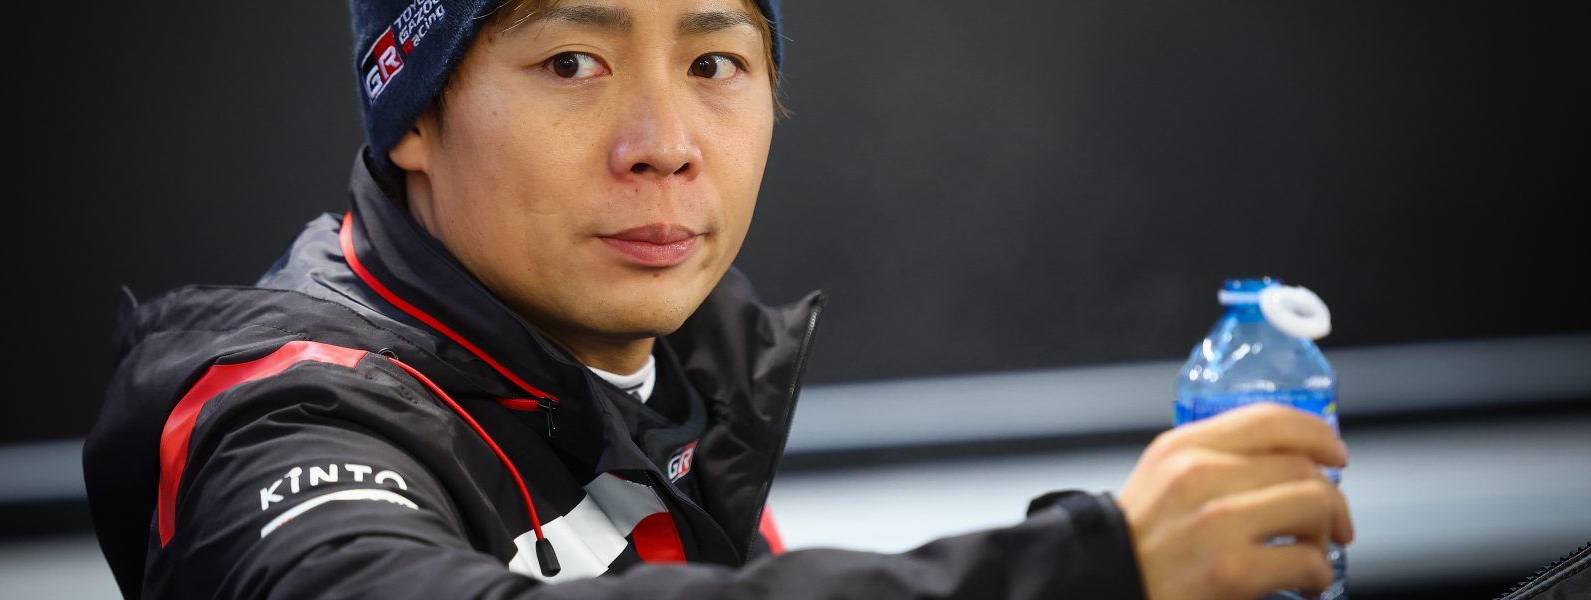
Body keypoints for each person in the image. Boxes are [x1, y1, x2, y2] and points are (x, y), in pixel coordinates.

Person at [84, 1, 1354, 598]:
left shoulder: (670, 370)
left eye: (714, 61)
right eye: (572, 61)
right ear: (411, 114)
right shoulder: (286, 418)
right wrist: (1080, 574)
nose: (665, 143)